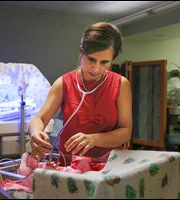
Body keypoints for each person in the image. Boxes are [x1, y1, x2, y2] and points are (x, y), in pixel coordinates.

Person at [28, 22, 132, 165]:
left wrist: (95, 139)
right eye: (91, 59)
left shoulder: (120, 85)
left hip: (109, 168)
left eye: (104, 62)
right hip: (70, 166)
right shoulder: (64, 83)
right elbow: (39, 119)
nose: (95, 69)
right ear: (80, 52)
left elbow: (125, 132)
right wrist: (35, 133)